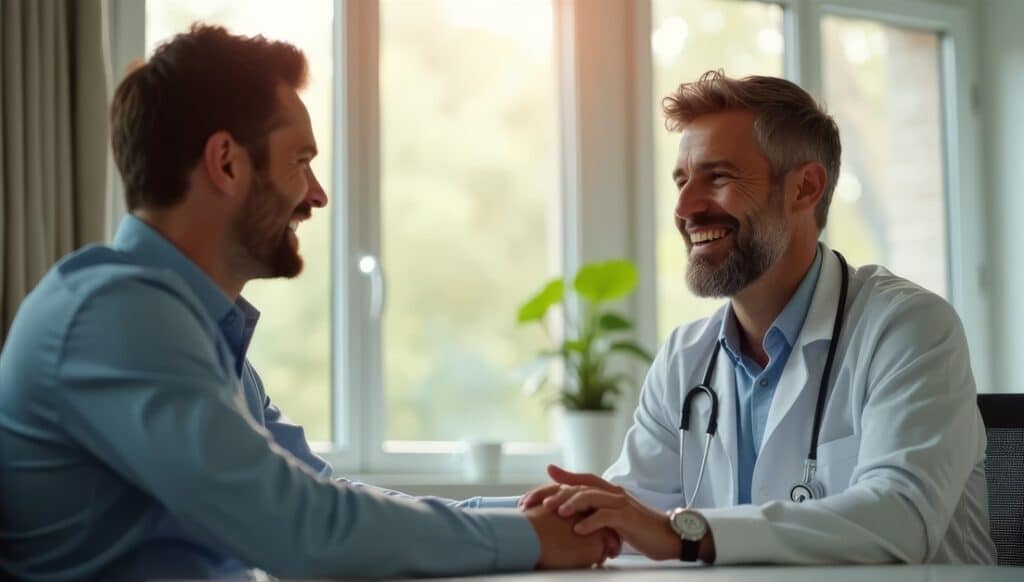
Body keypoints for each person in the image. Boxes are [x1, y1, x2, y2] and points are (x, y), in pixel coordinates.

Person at [0, 25, 614, 580]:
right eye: (301, 161)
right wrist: (528, 538)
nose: (317, 195)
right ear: (226, 163)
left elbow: (320, 491)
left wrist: (532, 512)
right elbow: (301, 529)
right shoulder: (114, 314)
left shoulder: (195, 330)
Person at [517, 70, 997, 565]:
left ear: (804, 189)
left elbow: (901, 520)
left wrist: (685, 533)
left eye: (718, 177)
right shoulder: (687, 357)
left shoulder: (909, 328)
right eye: (682, 180)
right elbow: (627, 523)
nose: (684, 207)